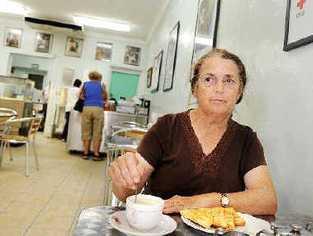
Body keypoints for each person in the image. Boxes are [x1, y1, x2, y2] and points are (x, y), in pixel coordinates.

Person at [108, 49, 277, 216]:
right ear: (194, 88)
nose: (219, 88)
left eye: (229, 81)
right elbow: (126, 192)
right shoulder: (167, 127)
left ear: (239, 92)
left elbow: (267, 200)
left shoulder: (246, 139)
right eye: (209, 79)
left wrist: (208, 201)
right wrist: (123, 178)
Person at [80, 71, 108, 161]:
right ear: (99, 77)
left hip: (87, 108)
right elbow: (105, 96)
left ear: (90, 77)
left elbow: (80, 96)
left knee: (86, 131)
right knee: (97, 131)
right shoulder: (102, 85)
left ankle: (85, 153)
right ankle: (96, 154)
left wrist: (88, 99)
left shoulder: (85, 84)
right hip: (98, 109)